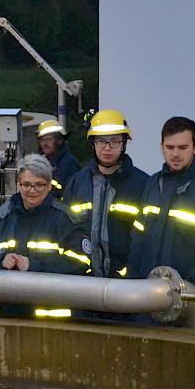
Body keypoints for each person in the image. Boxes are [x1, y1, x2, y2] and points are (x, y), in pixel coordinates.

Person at [0, 154, 91, 318]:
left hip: (53, 320)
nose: (32, 191)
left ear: (49, 186)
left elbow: (81, 262)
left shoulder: (64, 220)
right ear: (18, 185)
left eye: (39, 185)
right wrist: (0, 260)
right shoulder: (3, 218)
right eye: (26, 185)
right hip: (7, 315)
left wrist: (34, 265)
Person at [126, 116, 195, 295]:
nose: (175, 154)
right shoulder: (153, 184)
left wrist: (190, 287)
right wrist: (133, 282)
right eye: (170, 147)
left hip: (189, 299)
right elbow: (138, 237)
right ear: (162, 147)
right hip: (147, 295)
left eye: (183, 148)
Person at [62, 109, 149, 278]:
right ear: (93, 143)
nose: (107, 148)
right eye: (101, 141)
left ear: (124, 144)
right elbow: (65, 231)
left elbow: (148, 239)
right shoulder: (77, 183)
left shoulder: (143, 184)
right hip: (82, 282)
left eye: (115, 141)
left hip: (127, 286)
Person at [36, 119, 80, 200]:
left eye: (49, 139)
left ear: (60, 140)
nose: (45, 143)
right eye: (42, 140)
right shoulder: (43, 162)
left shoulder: (69, 164)